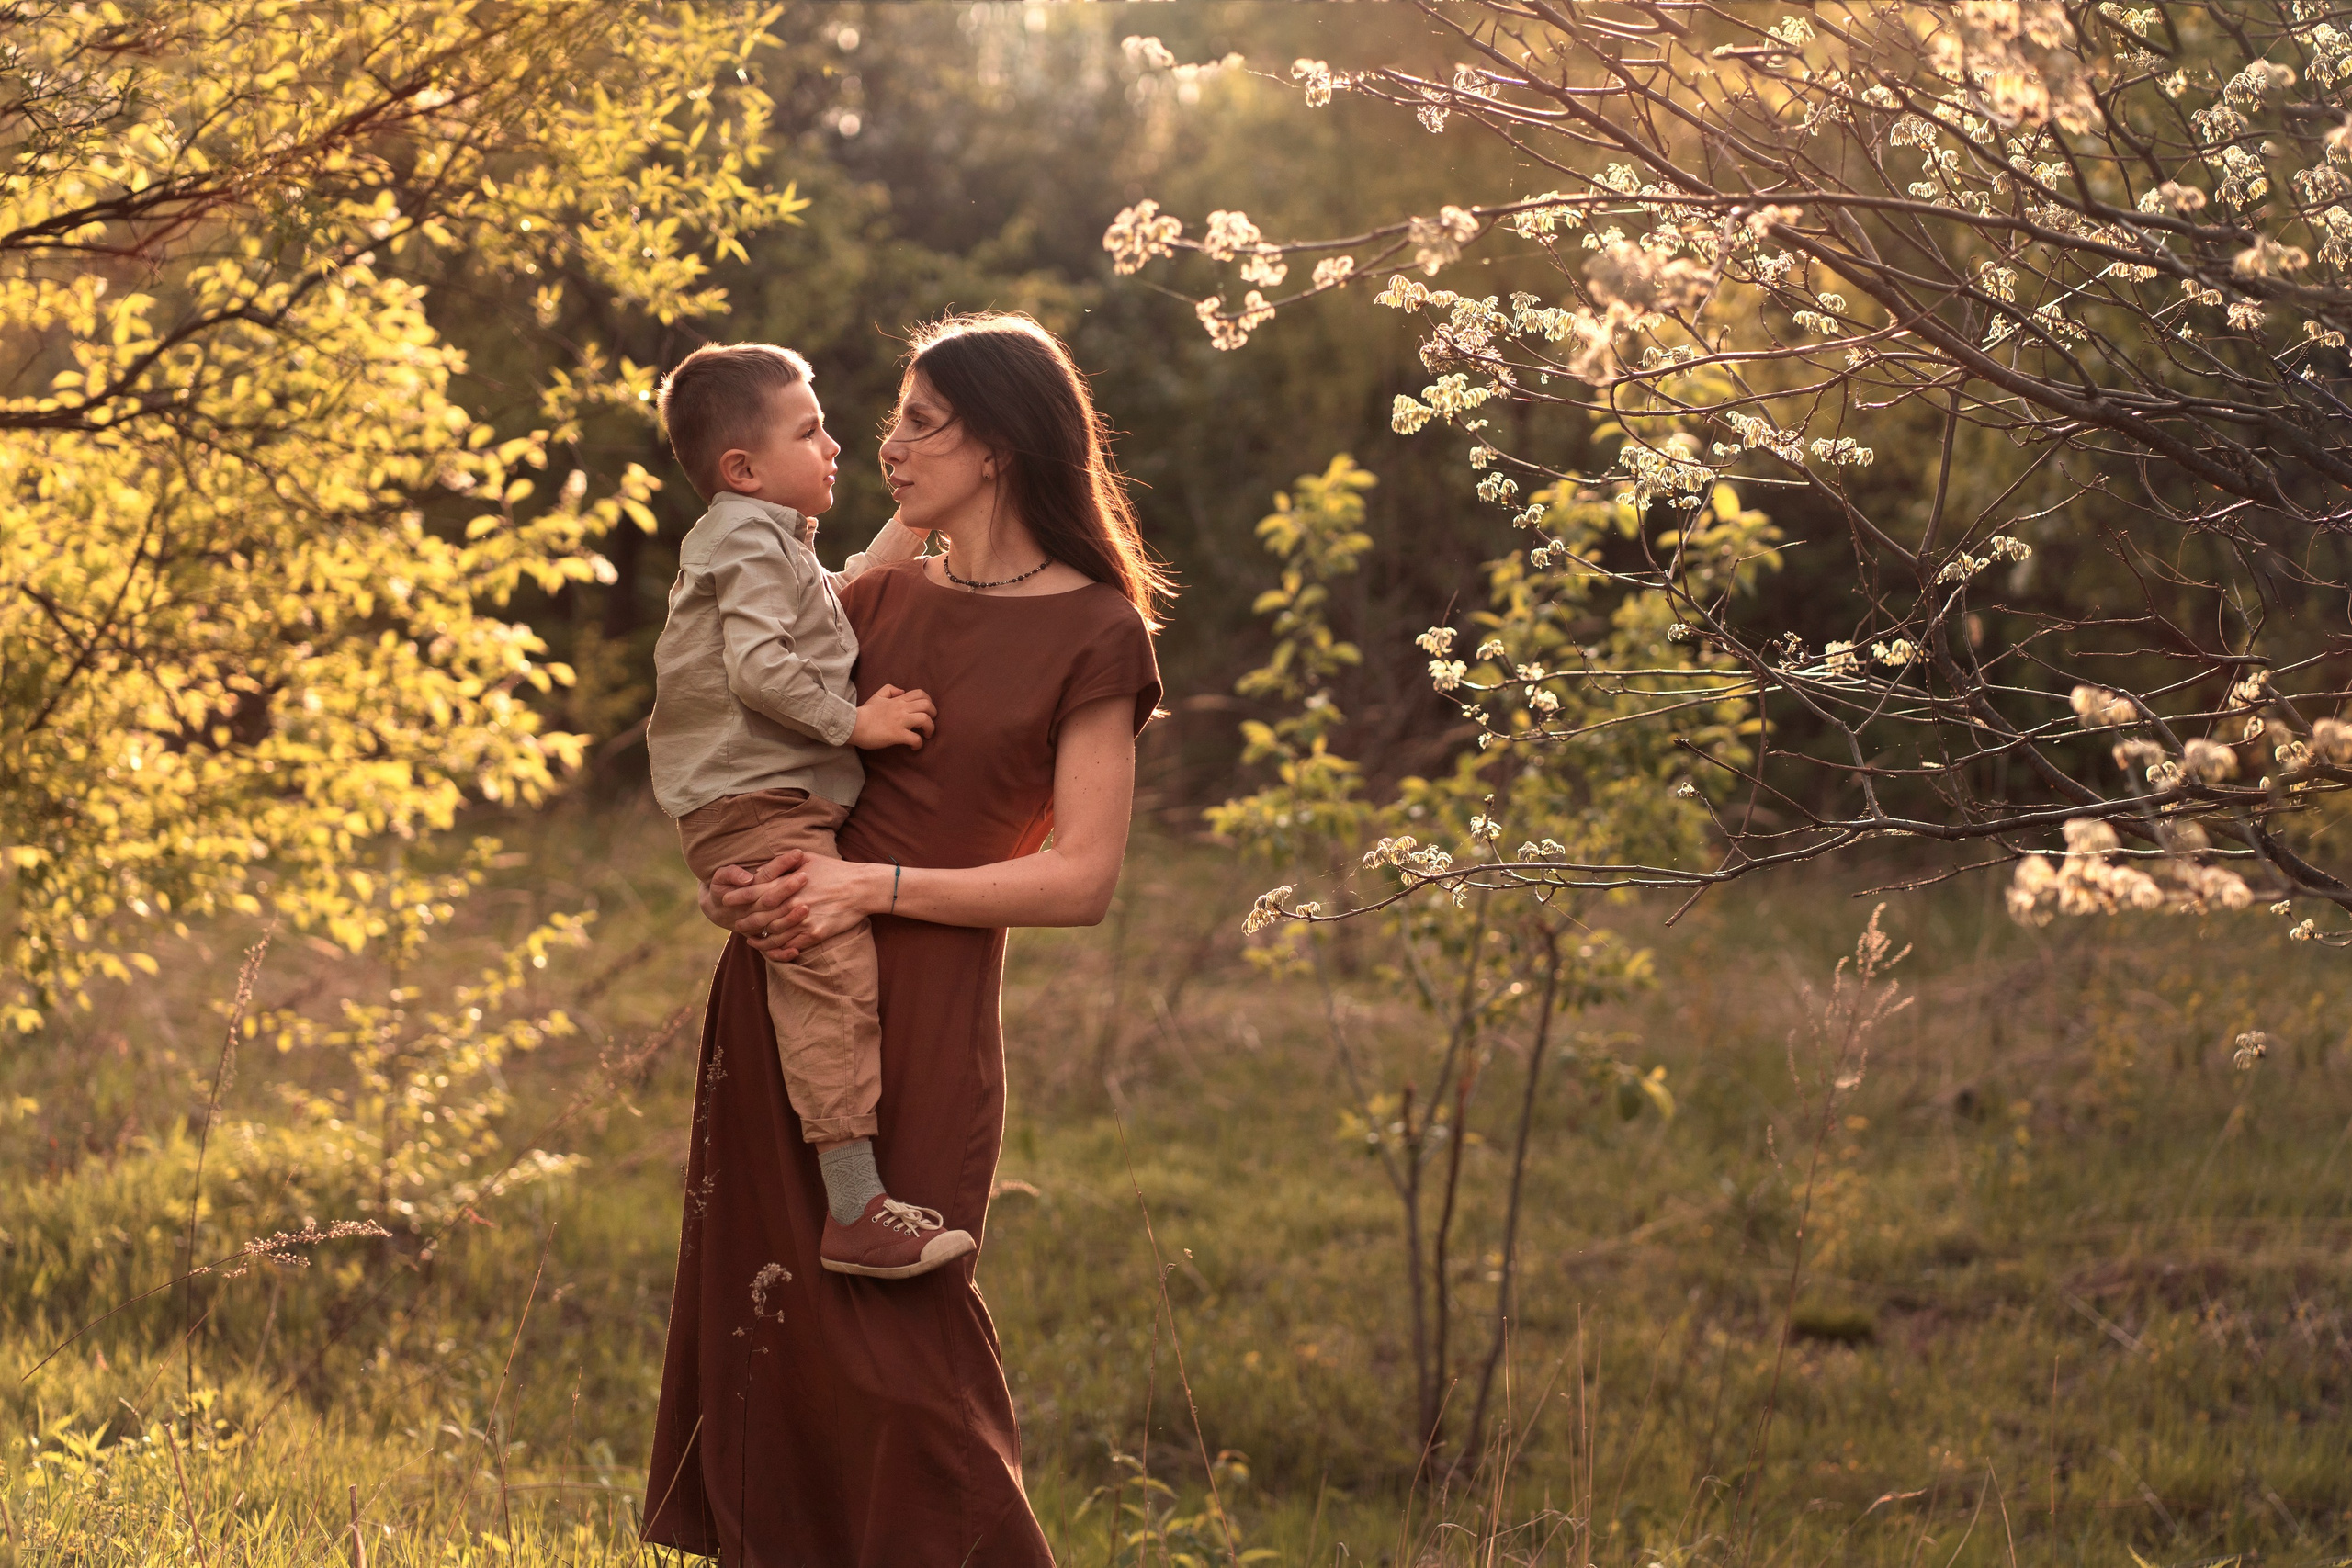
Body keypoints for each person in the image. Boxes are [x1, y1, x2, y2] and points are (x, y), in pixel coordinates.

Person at [641, 311, 1169, 1565]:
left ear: (996, 444)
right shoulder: (865, 594)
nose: (885, 446)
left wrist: (864, 889)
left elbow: (1081, 878)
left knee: (910, 1366)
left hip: (922, 1008)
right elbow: (751, 744)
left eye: (920, 423)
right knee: (785, 1360)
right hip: (789, 990)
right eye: (881, 420)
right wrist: (741, 880)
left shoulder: (1096, 627)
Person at [645, 341, 973, 1280]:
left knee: (815, 957)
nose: (837, 446)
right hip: (754, 798)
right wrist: (853, 724)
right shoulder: (746, 539)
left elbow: (844, 595)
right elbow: (758, 667)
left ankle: (851, 1194)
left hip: (756, 796)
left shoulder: (768, 545)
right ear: (743, 470)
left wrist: (912, 528)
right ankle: (855, 1206)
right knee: (827, 969)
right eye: (810, 430)